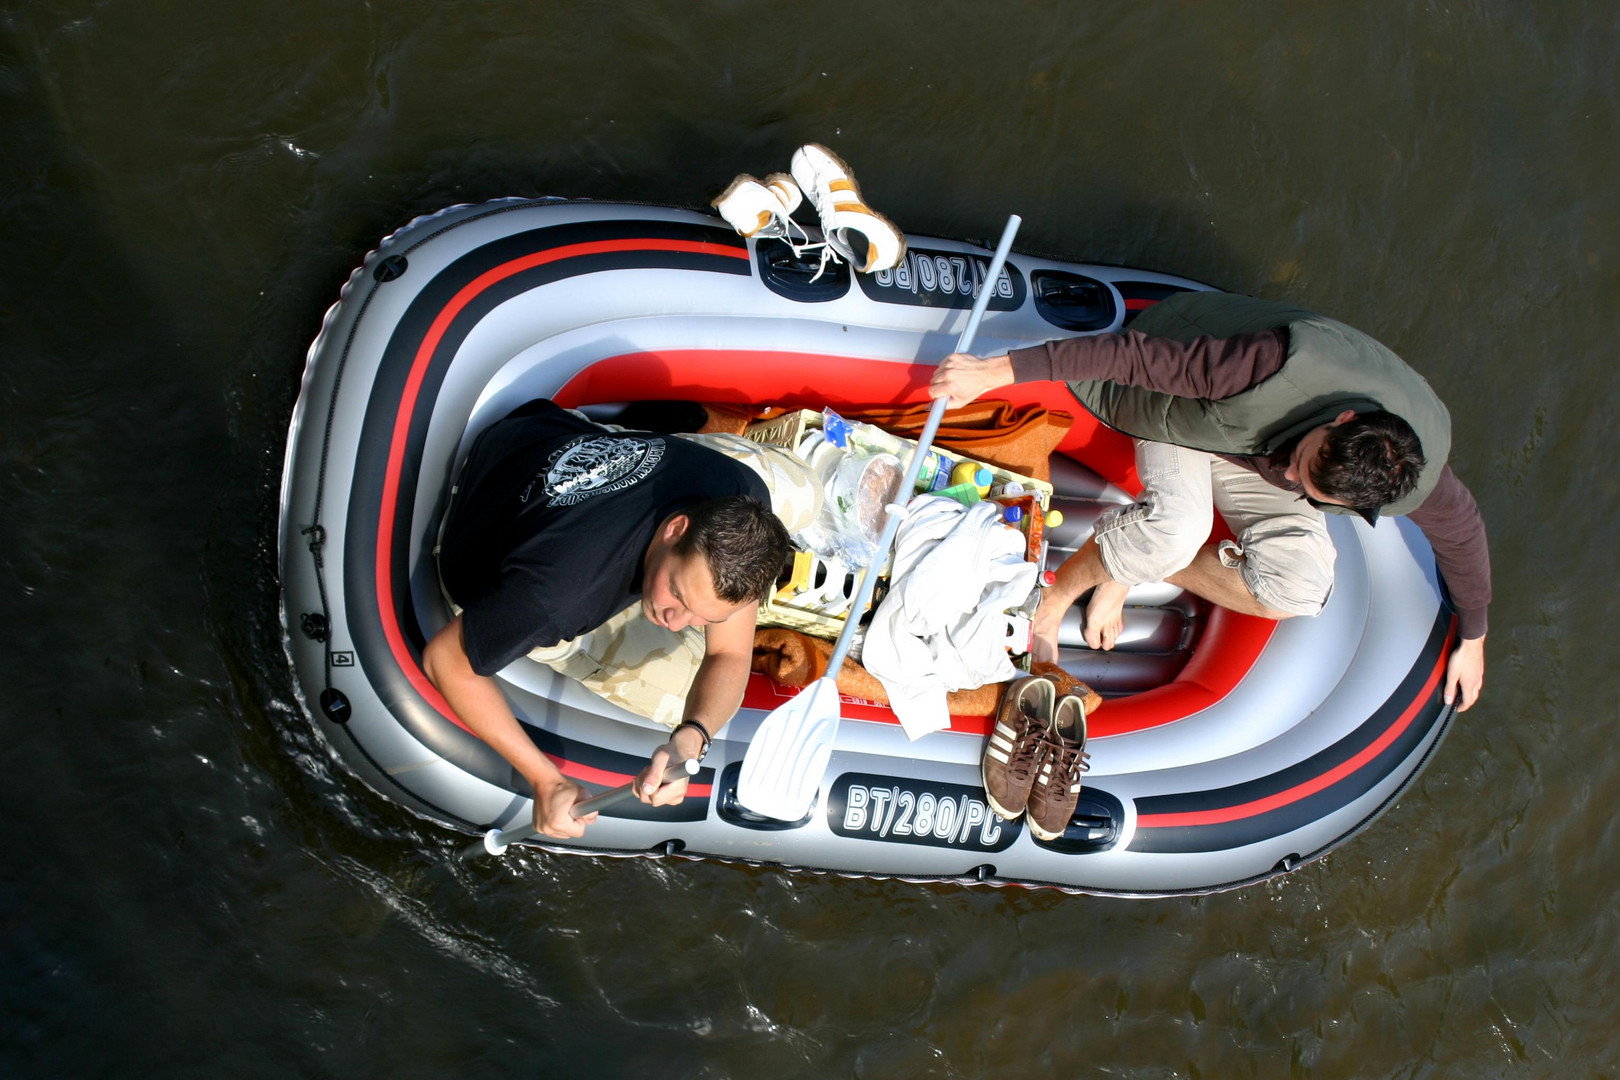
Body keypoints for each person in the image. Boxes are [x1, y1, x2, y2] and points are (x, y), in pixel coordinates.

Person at [930, 291, 1488, 712]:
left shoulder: (1400, 474)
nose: (1291, 475)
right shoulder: (1262, 367)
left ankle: (1127, 564)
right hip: (1187, 408)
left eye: (1310, 487)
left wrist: (1475, 634)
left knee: (1300, 588)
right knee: (1177, 527)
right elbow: (1132, 359)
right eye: (1304, 461)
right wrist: (993, 371)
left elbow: (1461, 530)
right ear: (1342, 421)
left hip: (1250, 447)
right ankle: (1057, 600)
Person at [423, 400, 792, 840]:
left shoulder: (740, 493)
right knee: (680, 697)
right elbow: (445, 661)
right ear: (676, 529)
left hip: (539, 431)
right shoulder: (561, 596)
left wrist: (689, 739)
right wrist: (545, 779)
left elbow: (729, 650)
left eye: (704, 615)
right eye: (677, 594)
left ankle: (639, 439)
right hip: (482, 546)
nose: (677, 623)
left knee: (799, 489)